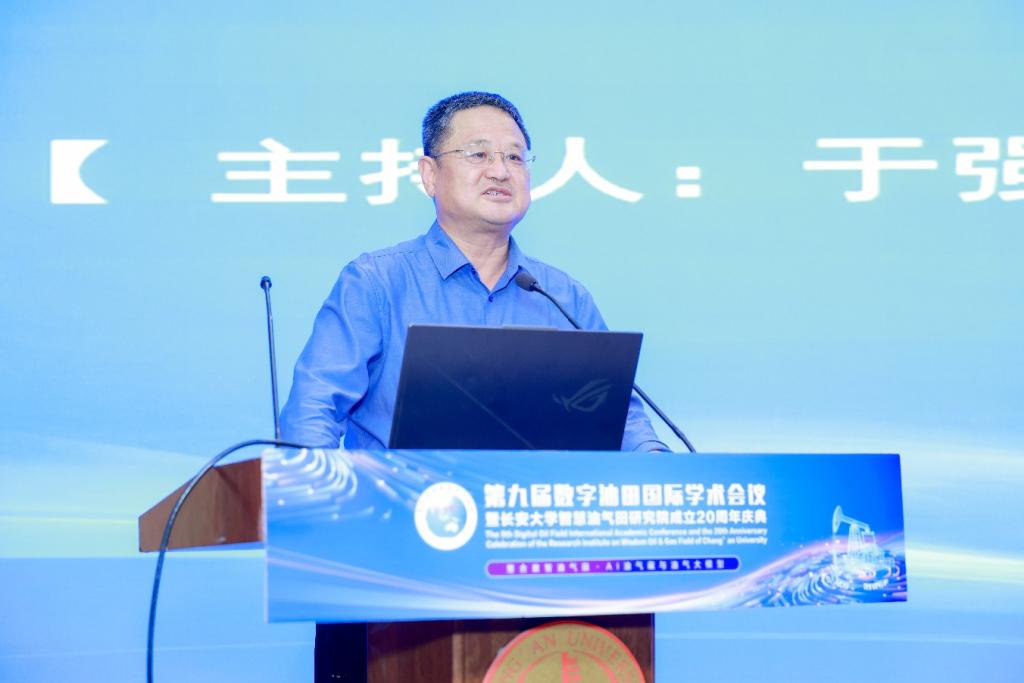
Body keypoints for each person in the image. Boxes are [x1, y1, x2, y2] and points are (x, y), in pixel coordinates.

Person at [279, 91, 668, 452]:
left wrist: (664, 471)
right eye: (479, 154)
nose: (500, 171)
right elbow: (313, 414)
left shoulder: (563, 297)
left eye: (514, 157)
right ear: (430, 174)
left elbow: (622, 423)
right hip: (401, 501)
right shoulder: (375, 283)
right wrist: (321, 491)